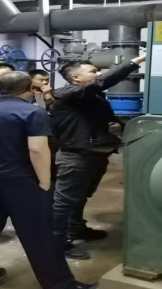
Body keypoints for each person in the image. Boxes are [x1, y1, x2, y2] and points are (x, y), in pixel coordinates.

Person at [0, 71, 98, 289]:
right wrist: (45, 182)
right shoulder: (32, 112)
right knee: (40, 233)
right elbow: (37, 149)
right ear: (29, 88)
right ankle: (61, 287)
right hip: (23, 182)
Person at [52, 55, 147, 260]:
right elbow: (102, 83)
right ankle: (57, 243)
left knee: (81, 196)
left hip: (96, 154)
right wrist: (136, 61)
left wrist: (118, 125)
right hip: (76, 156)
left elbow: (106, 120)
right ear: (75, 78)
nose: (99, 74)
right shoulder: (66, 93)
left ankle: (75, 228)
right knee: (64, 202)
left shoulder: (94, 97)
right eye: (93, 71)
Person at [28, 69, 59, 181]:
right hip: (30, 131)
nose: (45, 83)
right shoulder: (25, 94)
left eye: (47, 80)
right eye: (41, 80)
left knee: (50, 157)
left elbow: (56, 112)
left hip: (50, 131)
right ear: (30, 80)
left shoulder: (54, 93)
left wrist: (48, 96)